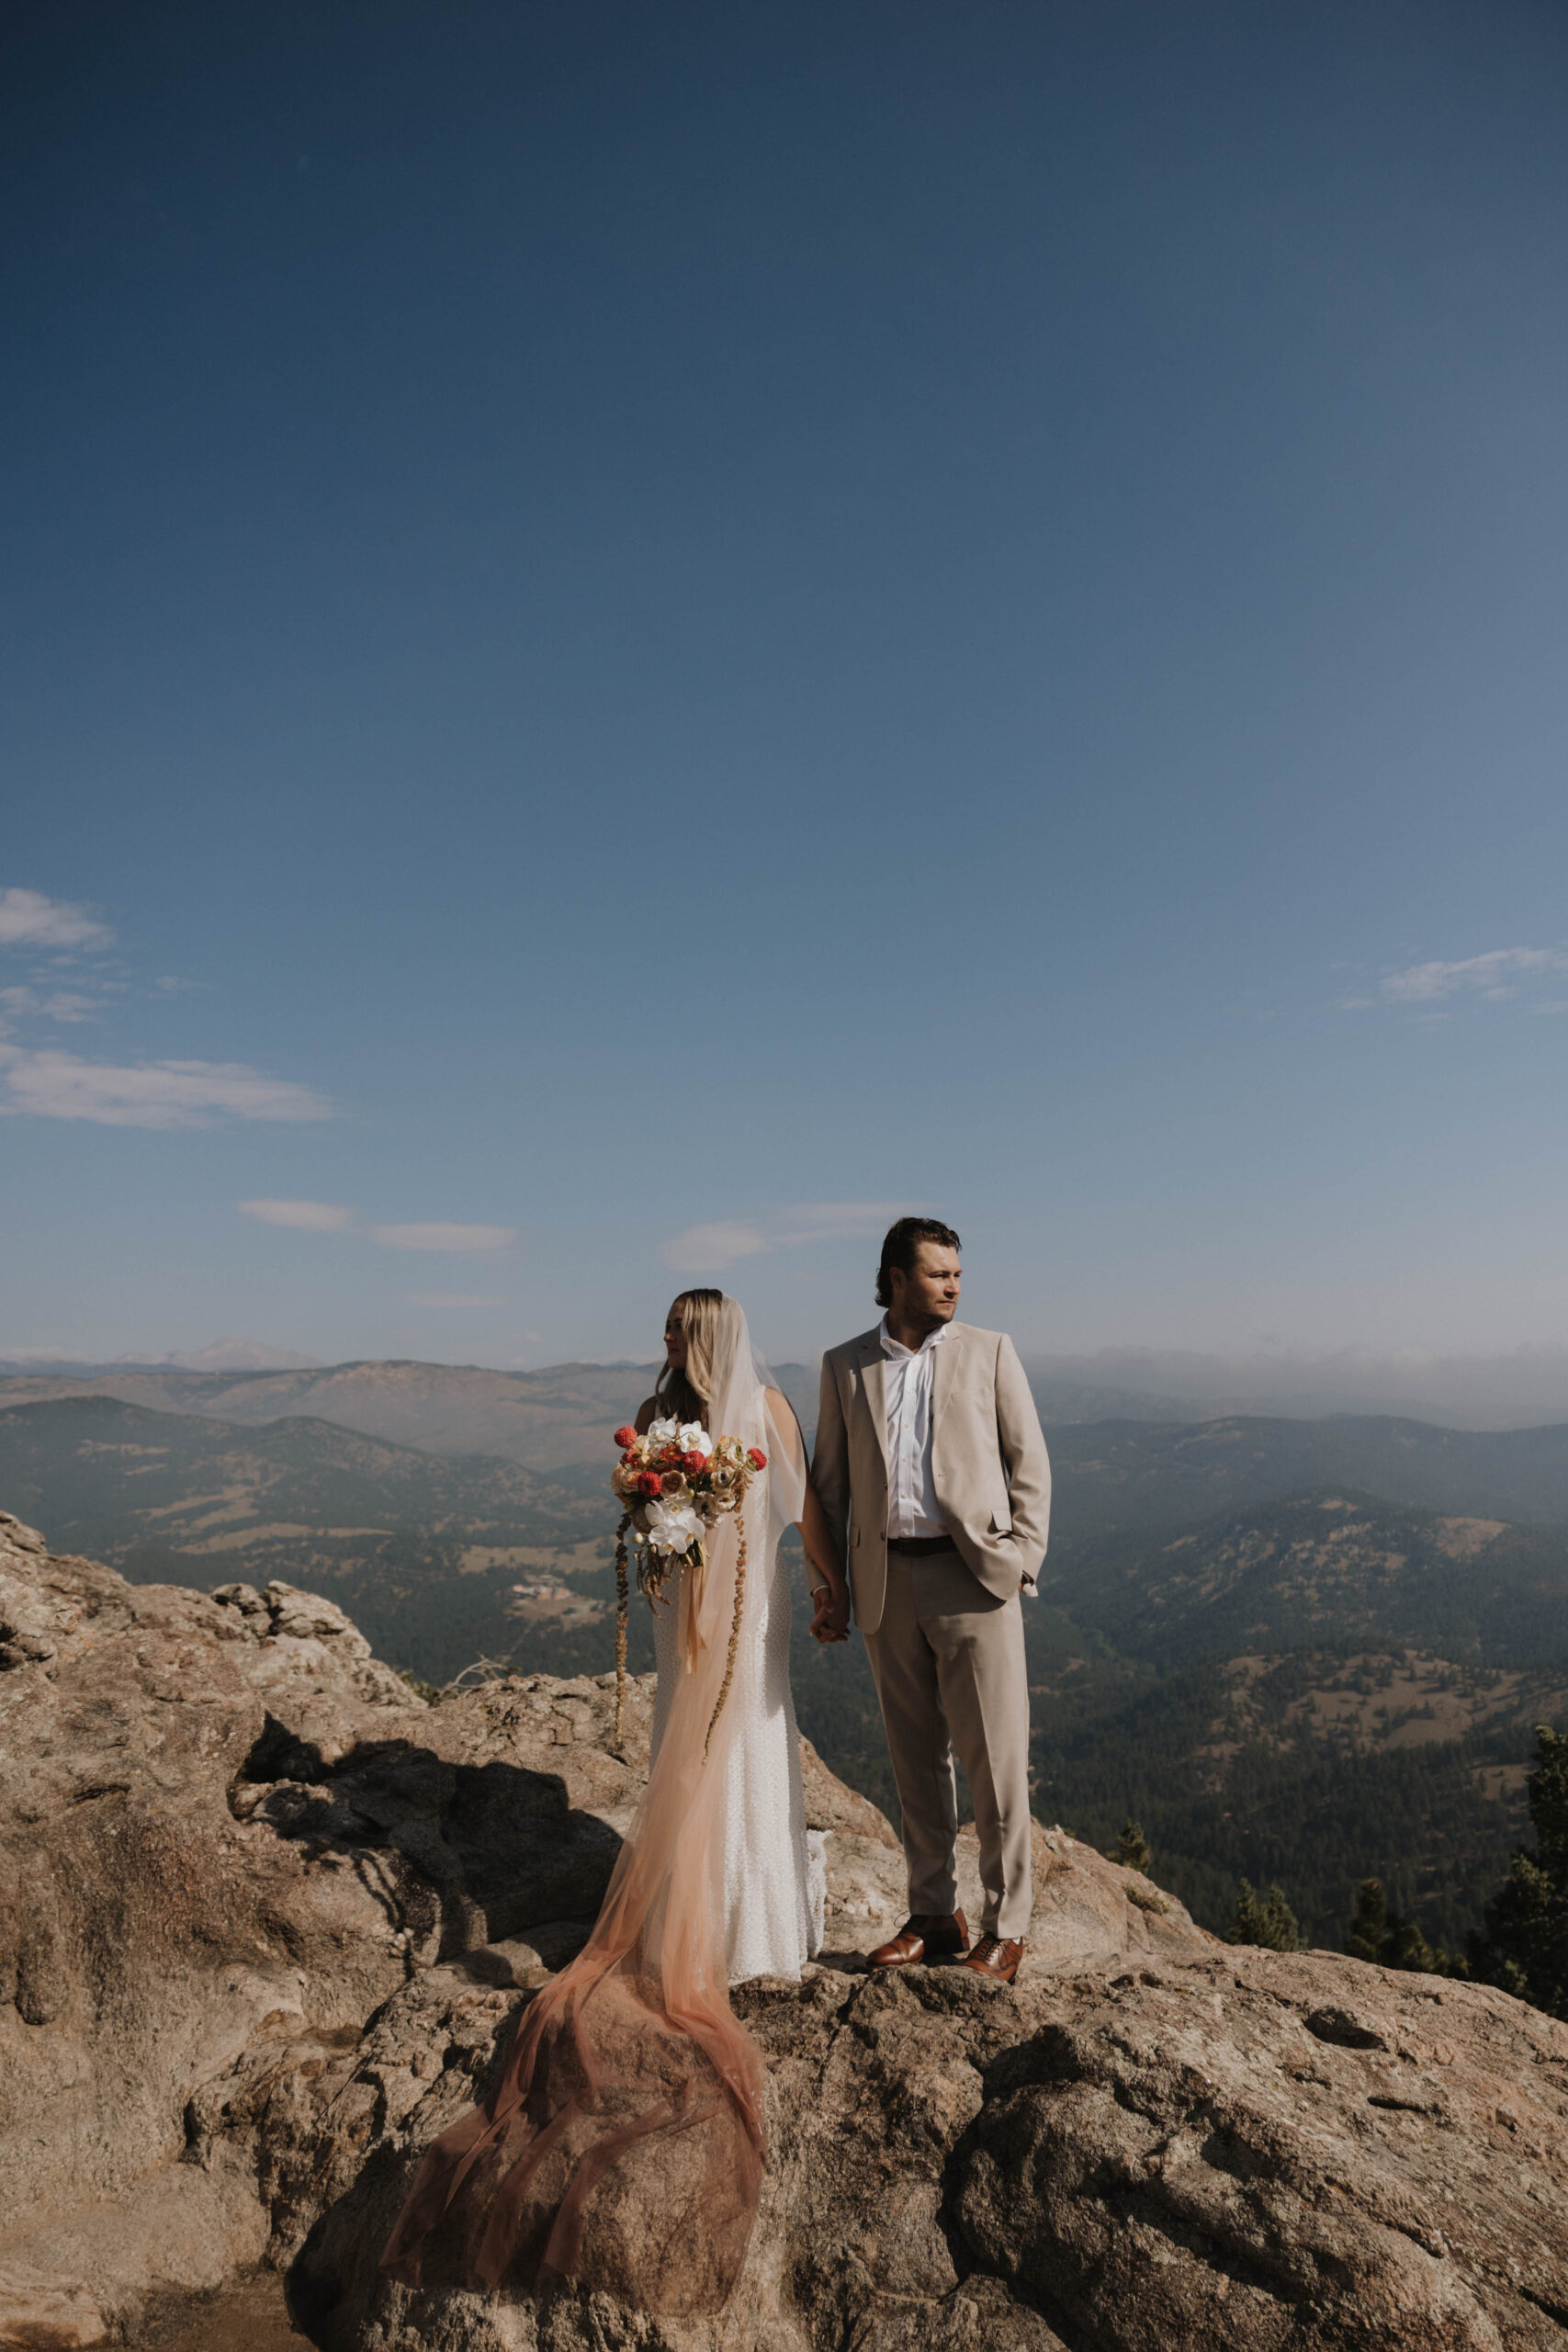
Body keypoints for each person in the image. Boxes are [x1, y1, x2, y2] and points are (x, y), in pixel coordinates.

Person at [381, 1289, 844, 2316]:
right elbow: (668, 1522)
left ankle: (746, 1923)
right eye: (669, 1330)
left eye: (682, 1331)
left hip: (747, 1615)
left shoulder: (763, 1413)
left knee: (750, 1745)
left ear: (711, 1336)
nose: (668, 1345)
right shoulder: (668, 1414)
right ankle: (713, 1920)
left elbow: (801, 1511)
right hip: (695, 1612)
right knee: (697, 1755)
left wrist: (821, 1588)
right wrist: (659, 1527)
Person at [809, 1216, 1050, 1985]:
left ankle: (1005, 1928)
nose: (952, 1285)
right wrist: (831, 1588)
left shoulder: (989, 1351)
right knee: (914, 1761)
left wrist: (1019, 1563)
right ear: (896, 1277)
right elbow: (829, 1487)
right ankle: (933, 1916)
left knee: (994, 1763)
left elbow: (1029, 1465)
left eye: (956, 1274)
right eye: (938, 1273)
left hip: (972, 1578)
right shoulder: (845, 1365)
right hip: (885, 1582)